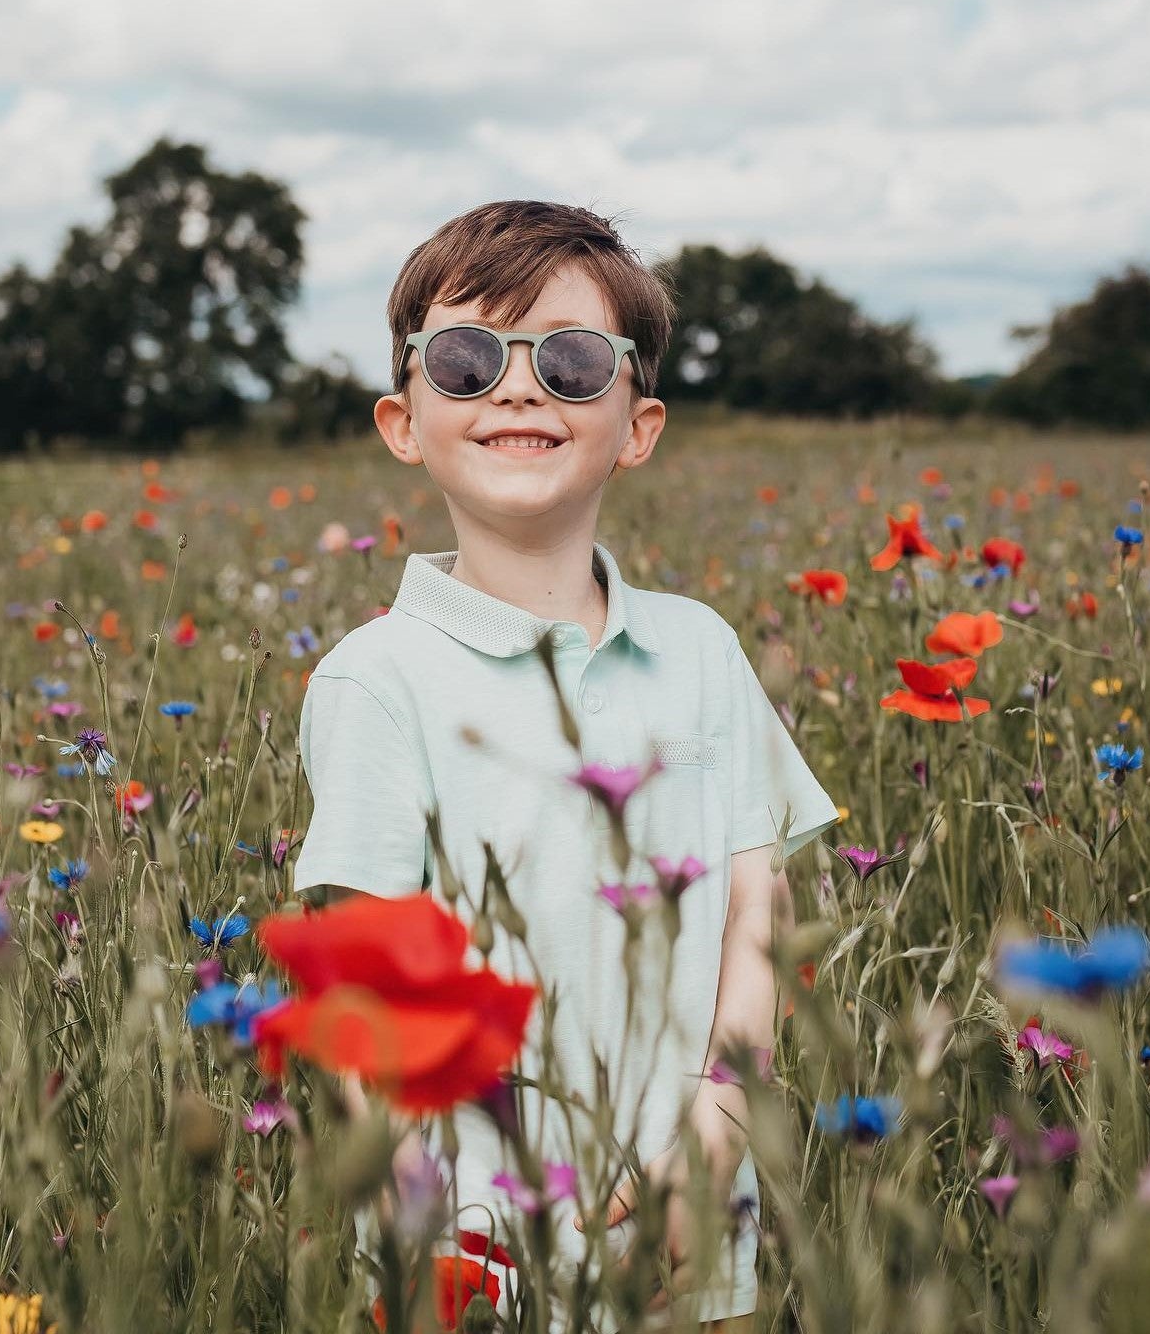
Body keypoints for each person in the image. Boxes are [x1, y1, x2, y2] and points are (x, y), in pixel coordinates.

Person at [291, 199, 840, 1333]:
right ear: (402, 420)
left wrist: (717, 1126)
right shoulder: (373, 678)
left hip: (698, 1215)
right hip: (474, 1251)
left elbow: (756, 912)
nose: (518, 386)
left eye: (574, 360)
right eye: (466, 357)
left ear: (637, 426)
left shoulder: (699, 648)